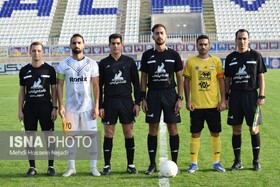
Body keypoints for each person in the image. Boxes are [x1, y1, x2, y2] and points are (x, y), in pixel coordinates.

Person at [140, 24, 183, 175]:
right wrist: (143, 98)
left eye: (162, 33)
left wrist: (179, 98)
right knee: (153, 128)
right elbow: (143, 77)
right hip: (153, 95)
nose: (159, 36)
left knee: (173, 128)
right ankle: (152, 164)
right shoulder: (147, 56)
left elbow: (179, 76)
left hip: (170, 94)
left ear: (166, 35)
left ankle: (175, 164)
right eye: (157, 33)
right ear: (153, 37)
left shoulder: (174, 55)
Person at [57, 34, 101, 177]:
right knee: (70, 137)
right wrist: (61, 105)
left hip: (88, 107)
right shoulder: (63, 64)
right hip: (70, 107)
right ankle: (71, 167)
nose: (77, 45)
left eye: (79, 43)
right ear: (70, 45)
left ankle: (93, 167)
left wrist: (96, 106)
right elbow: (59, 86)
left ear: (84, 45)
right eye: (74, 43)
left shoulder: (92, 64)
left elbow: (96, 86)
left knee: (91, 137)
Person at [183, 35, 226, 173]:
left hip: (213, 106)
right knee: (195, 134)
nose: (203, 46)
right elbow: (186, 82)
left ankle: (216, 162)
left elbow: (221, 81)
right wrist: (188, 100)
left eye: (205, 44)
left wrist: (223, 99)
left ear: (209, 45)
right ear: (197, 45)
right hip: (196, 106)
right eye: (200, 44)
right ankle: (194, 163)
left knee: (215, 134)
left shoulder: (217, 62)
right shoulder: (190, 62)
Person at [225, 29, 267, 171]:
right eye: (239, 39)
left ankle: (256, 161)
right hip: (235, 96)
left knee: (254, 129)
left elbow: (261, 76)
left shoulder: (256, 56)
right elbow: (227, 79)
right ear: (235, 40)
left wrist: (261, 95)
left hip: (251, 96)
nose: (242, 41)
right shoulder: (230, 58)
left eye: (244, 38)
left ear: (249, 40)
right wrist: (226, 97)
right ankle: (237, 161)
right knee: (236, 130)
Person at [99, 33, 140, 175]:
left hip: (126, 101)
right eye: (113, 43)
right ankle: (107, 165)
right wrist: (100, 106)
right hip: (110, 101)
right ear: (109, 45)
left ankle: (131, 164)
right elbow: (99, 86)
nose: (115, 46)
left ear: (122, 45)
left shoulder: (129, 62)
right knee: (109, 133)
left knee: (128, 133)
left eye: (118, 43)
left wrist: (137, 103)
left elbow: (136, 83)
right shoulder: (104, 63)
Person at [18, 41, 57, 177]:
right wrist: (19, 109)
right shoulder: (24, 71)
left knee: (49, 138)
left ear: (43, 52)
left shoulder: (50, 70)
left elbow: (54, 89)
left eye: (39, 51)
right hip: (29, 108)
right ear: (30, 52)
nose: (36, 53)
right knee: (30, 138)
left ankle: (51, 166)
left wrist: (55, 107)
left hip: (46, 107)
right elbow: (22, 91)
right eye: (34, 51)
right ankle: (32, 167)